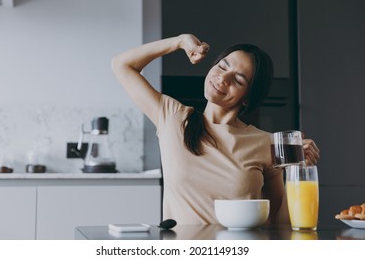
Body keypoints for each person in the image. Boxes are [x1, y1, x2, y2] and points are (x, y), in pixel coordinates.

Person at [111, 34, 320, 225]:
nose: (222, 78)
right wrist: (179, 42)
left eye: (238, 80)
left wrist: (297, 171)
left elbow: (279, 223)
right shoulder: (174, 118)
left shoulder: (268, 143)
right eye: (222, 66)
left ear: (248, 98)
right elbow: (122, 65)